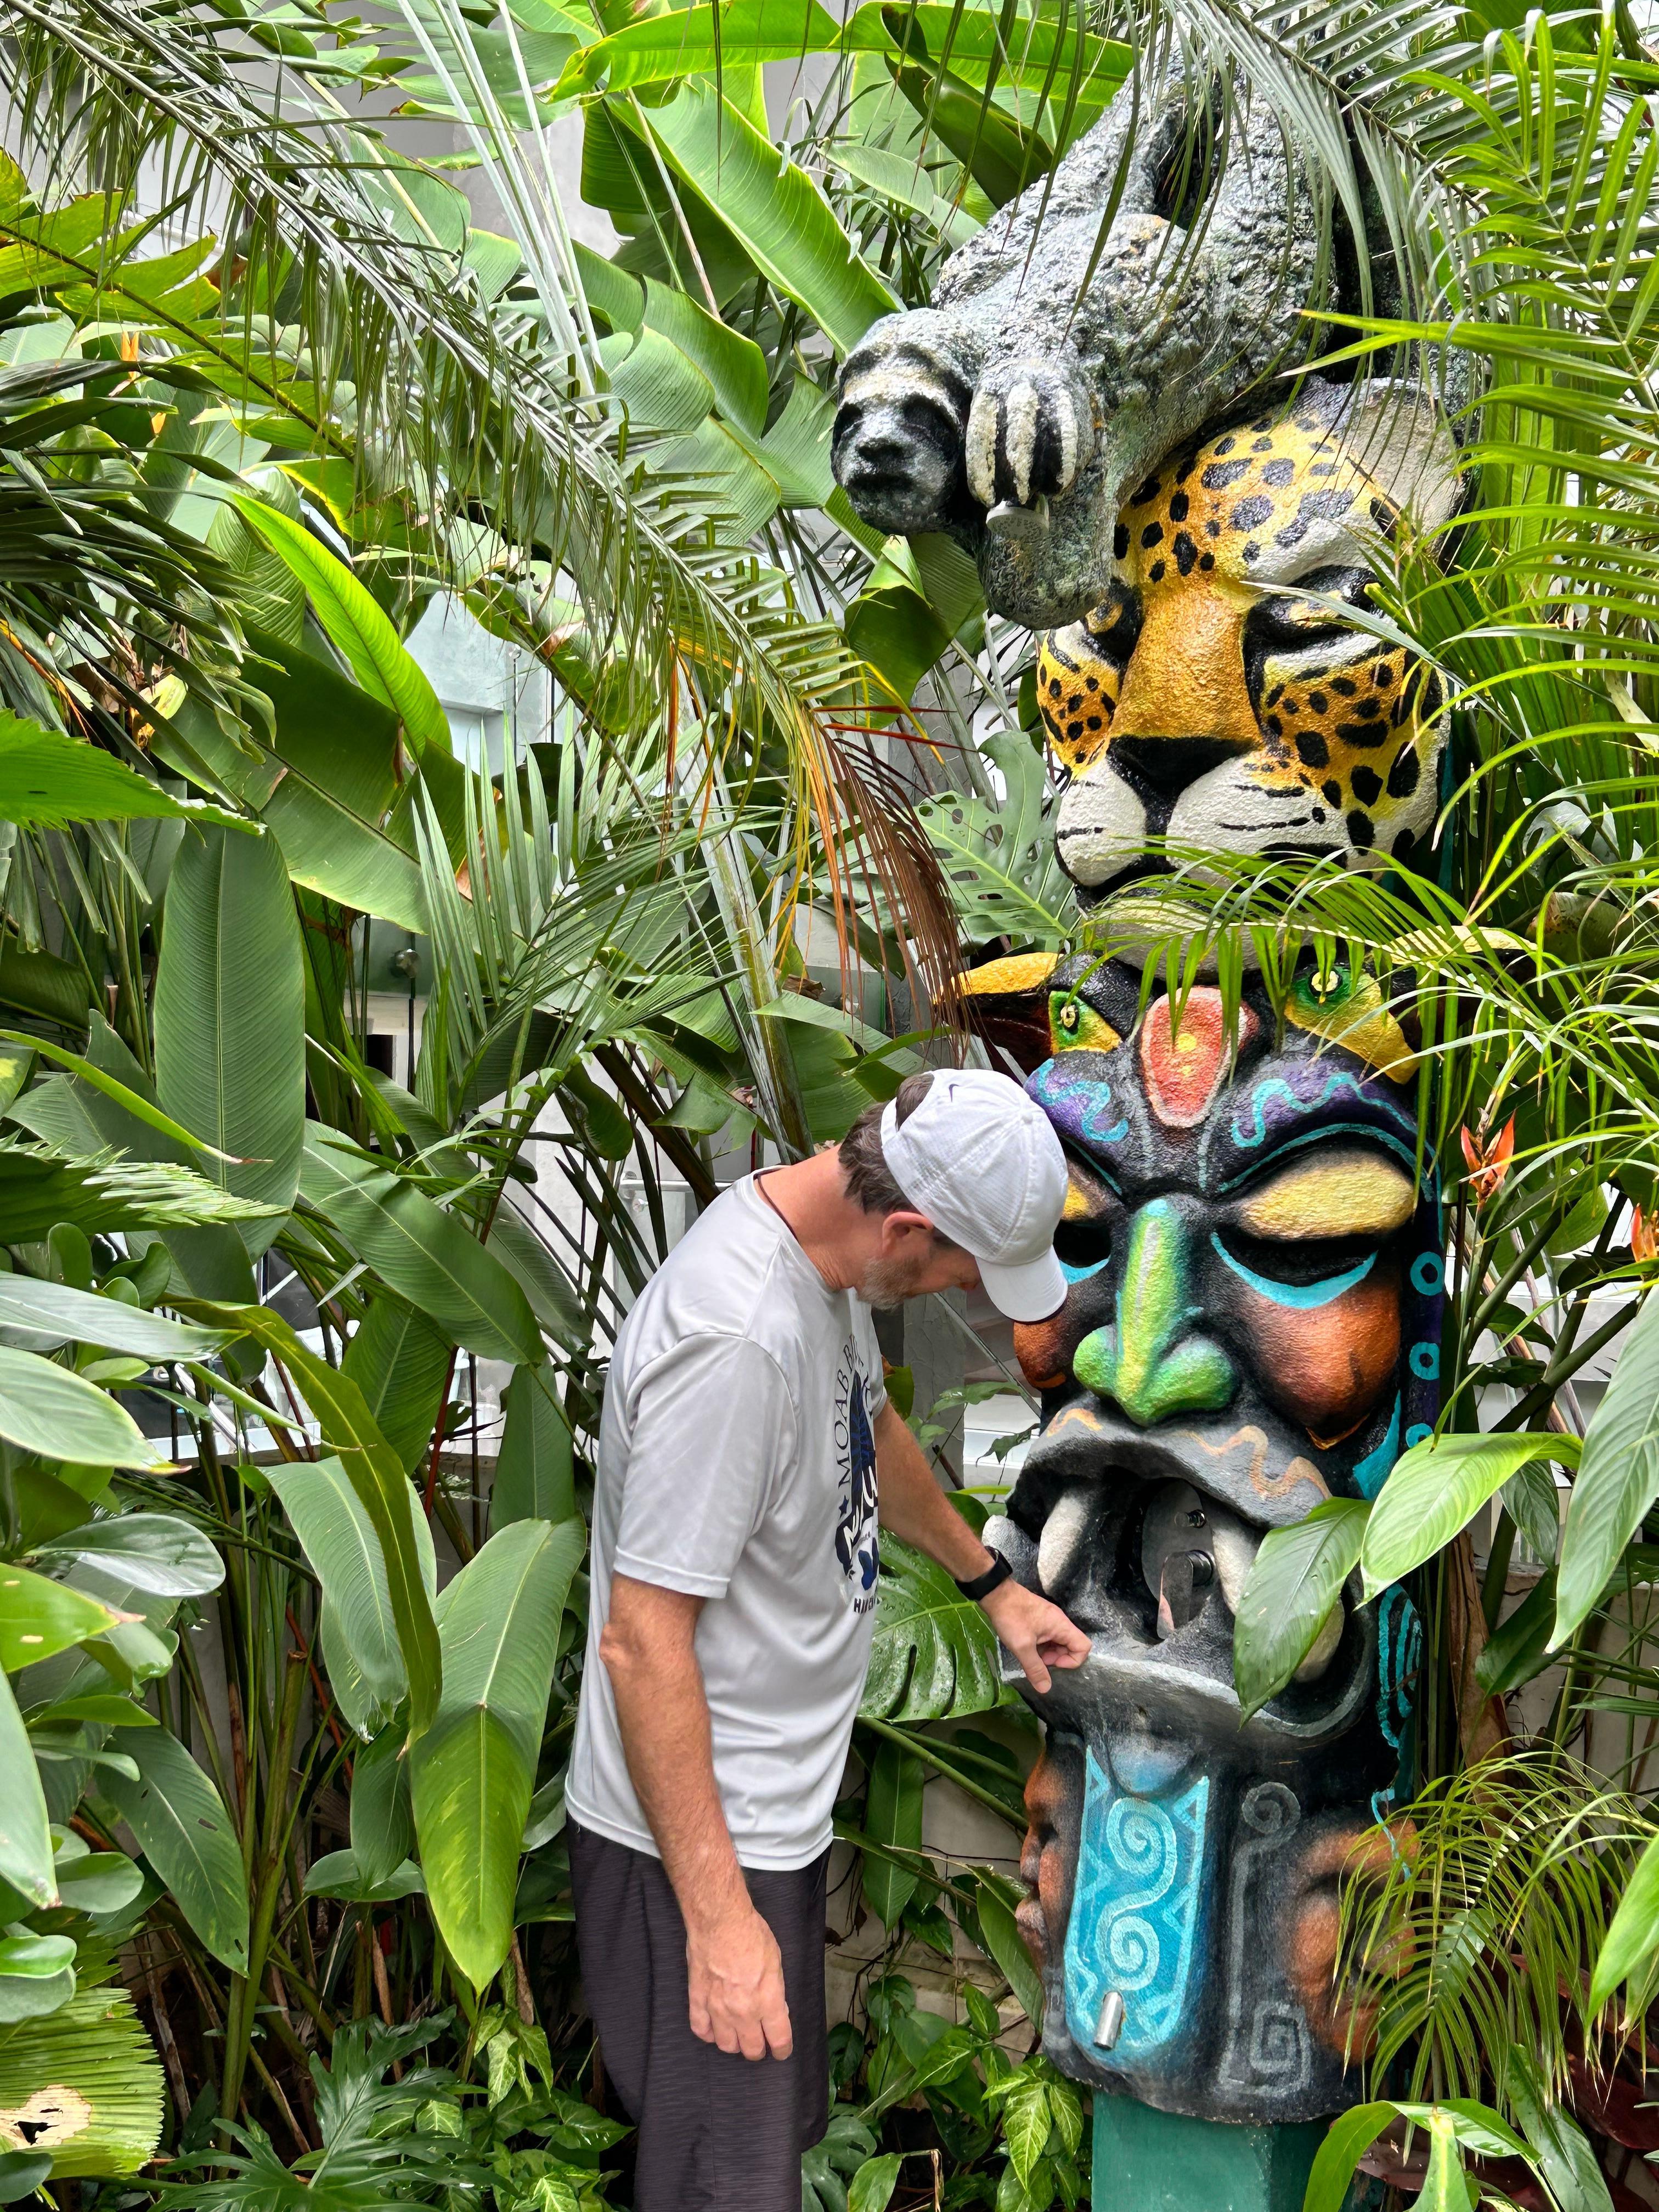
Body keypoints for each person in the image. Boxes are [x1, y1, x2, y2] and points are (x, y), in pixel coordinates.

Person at [565, 1066, 1091, 2211]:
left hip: (761, 1820)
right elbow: (641, 1644)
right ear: (905, 1222)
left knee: (750, 2167)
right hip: (697, 1842)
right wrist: (717, 1924)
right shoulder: (735, 1341)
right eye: (958, 1268)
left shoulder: (820, 1261)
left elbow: (870, 1424)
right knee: (722, 2188)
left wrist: (990, 1584)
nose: (959, 1292)